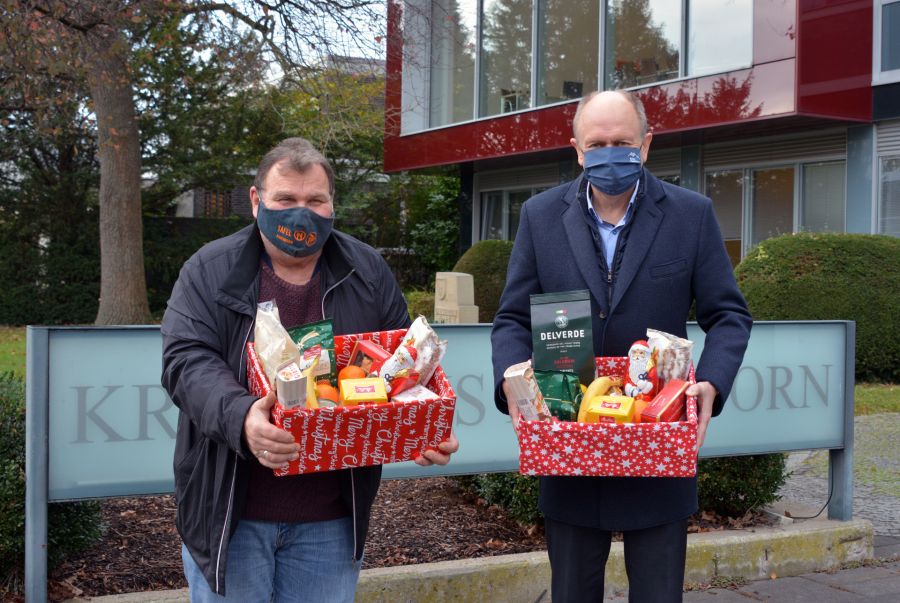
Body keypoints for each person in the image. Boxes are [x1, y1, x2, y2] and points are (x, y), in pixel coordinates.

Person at [161, 137, 458, 601]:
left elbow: (405, 360)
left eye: (315, 200)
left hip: (331, 522)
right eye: (285, 199)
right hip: (231, 516)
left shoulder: (367, 271)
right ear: (257, 200)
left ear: (332, 203)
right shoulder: (210, 269)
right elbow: (185, 360)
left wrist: (419, 426)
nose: (301, 214)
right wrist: (242, 416)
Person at [491, 91, 752, 602]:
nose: (610, 154)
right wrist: (510, 379)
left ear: (646, 145)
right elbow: (513, 318)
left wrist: (711, 383)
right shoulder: (540, 216)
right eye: (597, 144)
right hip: (570, 446)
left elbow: (728, 315)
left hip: (658, 445)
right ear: (577, 150)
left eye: (623, 142)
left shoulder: (691, 215)